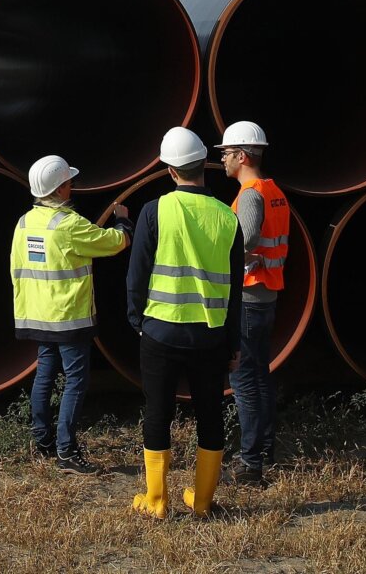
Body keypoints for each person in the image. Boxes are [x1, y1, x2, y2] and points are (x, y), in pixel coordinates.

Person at [127, 127, 243, 519]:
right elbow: (235, 292)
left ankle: (157, 501)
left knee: (157, 411)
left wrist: (136, 319)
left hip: (160, 330)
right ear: (202, 167)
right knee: (210, 415)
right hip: (209, 338)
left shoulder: (154, 211)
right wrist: (232, 344)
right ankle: (204, 501)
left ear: (170, 171)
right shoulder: (228, 218)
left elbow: (137, 274)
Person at [9, 153, 132, 475]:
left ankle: (43, 442)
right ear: (61, 189)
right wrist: (123, 220)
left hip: (37, 315)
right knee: (75, 380)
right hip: (68, 317)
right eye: (69, 183)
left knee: (45, 375)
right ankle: (67, 451)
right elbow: (115, 243)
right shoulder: (69, 225)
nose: (71, 188)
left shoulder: (24, 223)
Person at [216, 120, 290, 485]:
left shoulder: (250, 195)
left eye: (227, 154)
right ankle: (264, 451)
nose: (224, 160)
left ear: (242, 155)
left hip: (247, 297)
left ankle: (249, 465)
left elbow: (241, 241)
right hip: (265, 294)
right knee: (260, 375)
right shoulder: (273, 190)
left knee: (244, 380)